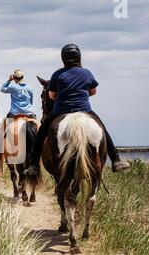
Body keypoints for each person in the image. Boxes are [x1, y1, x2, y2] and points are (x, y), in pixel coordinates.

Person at [25, 44, 130, 175]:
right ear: (79, 57)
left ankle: (34, 164)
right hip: (84, 109)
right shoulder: (87, 73)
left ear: (63, 58)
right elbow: (93, 92)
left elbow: (52, 96)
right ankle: (116, 159)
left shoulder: (57, 74)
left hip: (60, 110)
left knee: (41, 132)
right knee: (102, 128)